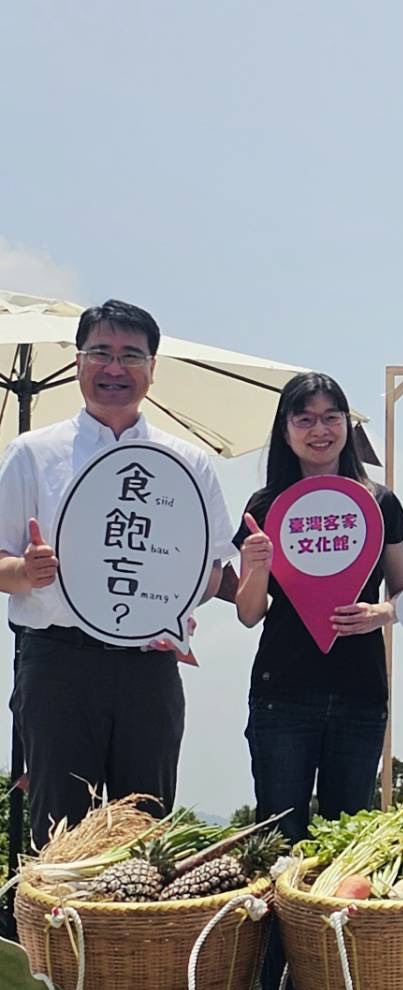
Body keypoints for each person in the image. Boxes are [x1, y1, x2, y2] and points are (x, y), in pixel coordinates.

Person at [0, 299, 235, 849]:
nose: (114, 368)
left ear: (153, 368)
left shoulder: (186, 461)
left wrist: (178, 603)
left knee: (146, 833)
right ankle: (51, 938)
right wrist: (25, 570)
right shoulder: (32, 454)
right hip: (58, 662)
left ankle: (139, 938)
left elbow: (207, 571)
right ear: (79, 361)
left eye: (131, 355)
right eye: (100, 352)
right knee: (59, 833)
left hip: (148, 667)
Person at [234, 373, 403, 990]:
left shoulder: (377, 499)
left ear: (347, 424)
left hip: (361, 693)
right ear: (284, 430)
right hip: (282, 693)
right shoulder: (264, 504)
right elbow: (251, 610)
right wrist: (254, 565)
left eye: (331, 415)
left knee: (348, 856)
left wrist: (379, 613)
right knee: (281, 851)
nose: (318, 428)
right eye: (303, 417)